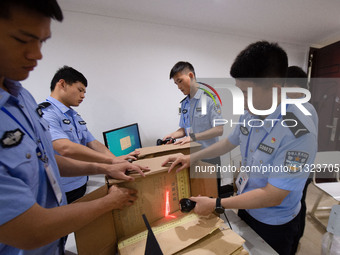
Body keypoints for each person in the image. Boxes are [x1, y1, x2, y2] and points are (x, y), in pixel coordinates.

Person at [0, 1, 147, 254]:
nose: (37, 54)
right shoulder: (46, 109)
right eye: (23, 39)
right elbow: (31, 230)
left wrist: (111, 163)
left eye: (42, 42)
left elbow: (49, 160)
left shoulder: (22, 98)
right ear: (62, 84)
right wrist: (107, 202)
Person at [162, 41, 318, 255]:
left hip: (275, 221)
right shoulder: (251, 111)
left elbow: (274, 195)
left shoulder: (299, 131)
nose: (243, 103)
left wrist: (216, 203)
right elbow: (228, 143)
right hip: (246, 201)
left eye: (247, 93)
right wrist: (192, 158)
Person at [40, 66, 140, 203]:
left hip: (81, 181)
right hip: (62, 187)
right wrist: (111, 162)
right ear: (62, 84)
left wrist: (118, 162)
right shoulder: (46, 113)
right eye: (80, 90)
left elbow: (92, 142)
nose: (83, 96)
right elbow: (65, 148)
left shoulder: (74, 115)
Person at [163, 61, 233, 197]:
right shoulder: (185, 104)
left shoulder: (210, 99)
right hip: (190, 156)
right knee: (196, 195)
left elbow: (219, 129)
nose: (178, 87)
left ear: (190, 75)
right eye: (175, 83)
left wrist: (194, 137)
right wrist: (171, 136)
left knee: (211, 197)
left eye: (179, 81)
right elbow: (183, 130)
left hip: (209, 157)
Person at [285, 65, 318, 254]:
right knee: (298, 202)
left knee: (297, 204)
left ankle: (296, 239)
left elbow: (296, 137)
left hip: (300, 170)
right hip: (299, 167)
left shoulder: (304, 109)